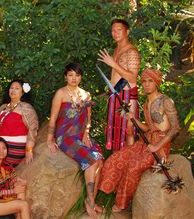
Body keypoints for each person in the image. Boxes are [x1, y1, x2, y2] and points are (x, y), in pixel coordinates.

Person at [97, 69, 180, 212]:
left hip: (160, 145)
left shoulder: (165, 101)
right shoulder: (148, 101)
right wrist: (133, 118)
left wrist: (156, 147)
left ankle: (122, 203)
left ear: (157, 83)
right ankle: (104, 193)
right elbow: (148, 127)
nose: (147, 85)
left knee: (133, 167)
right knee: (117, 158)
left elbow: (175, 128)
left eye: (150, 81)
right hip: (146, 141)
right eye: (144, 81)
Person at [46, 63, 103, 218]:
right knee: (91, 159)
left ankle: (91, 198)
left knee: (99, 159)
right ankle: (90, 200)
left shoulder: (86, 95)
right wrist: (50, 140)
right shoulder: (61, 93)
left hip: (80, 135)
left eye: (77, 75)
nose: (74, 78)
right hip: (65, 136)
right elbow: (53, 118)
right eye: (70, 75)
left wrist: (86, 133)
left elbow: (89, 119)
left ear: (81, 77)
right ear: (65, 76)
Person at [98, 19, 141, 151]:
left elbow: (133, 77)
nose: (115, 33)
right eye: (113, 30)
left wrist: (113, 64)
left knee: (128, 130)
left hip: (127, 96)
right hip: (115, 94)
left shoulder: (132, 52)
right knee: (116, 130)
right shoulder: (117, 50)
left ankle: (129, 164)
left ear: (127, 32)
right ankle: (117, 164)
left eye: (119, 30)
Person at [0, 79, 39, 167]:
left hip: (12, 149)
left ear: (23, 92)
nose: (13, 90)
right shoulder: (3, 107)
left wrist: (29, 150)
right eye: (11, 88)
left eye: (17, 88)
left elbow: (33, 128)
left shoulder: (26, 107)